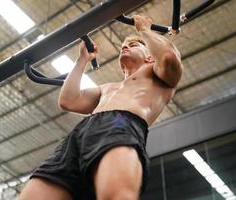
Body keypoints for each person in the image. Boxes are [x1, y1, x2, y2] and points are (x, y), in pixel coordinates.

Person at [19, 15, 182, 200]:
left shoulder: (160, 76)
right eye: (123, 47)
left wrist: (144, 30)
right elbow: (68, 100)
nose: (126, 47)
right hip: (81, 133)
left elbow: (168, 57)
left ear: (150, 57)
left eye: (134, 45)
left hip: (121, 123)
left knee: (115, 196)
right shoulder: (108, 88)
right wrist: (82, 60)